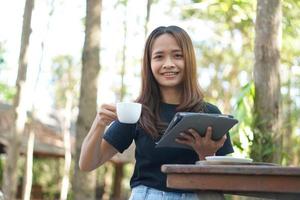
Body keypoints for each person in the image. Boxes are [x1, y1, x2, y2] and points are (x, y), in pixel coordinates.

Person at [79, 25, 234, 200]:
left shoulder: (210, 114)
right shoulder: (136, 112)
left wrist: (206, 156)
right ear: (149, 63)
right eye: (159, 57)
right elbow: (87, 164)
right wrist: (99, 123)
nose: (168, 64)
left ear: (189, 60)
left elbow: (222, 182)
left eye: (177, 55)